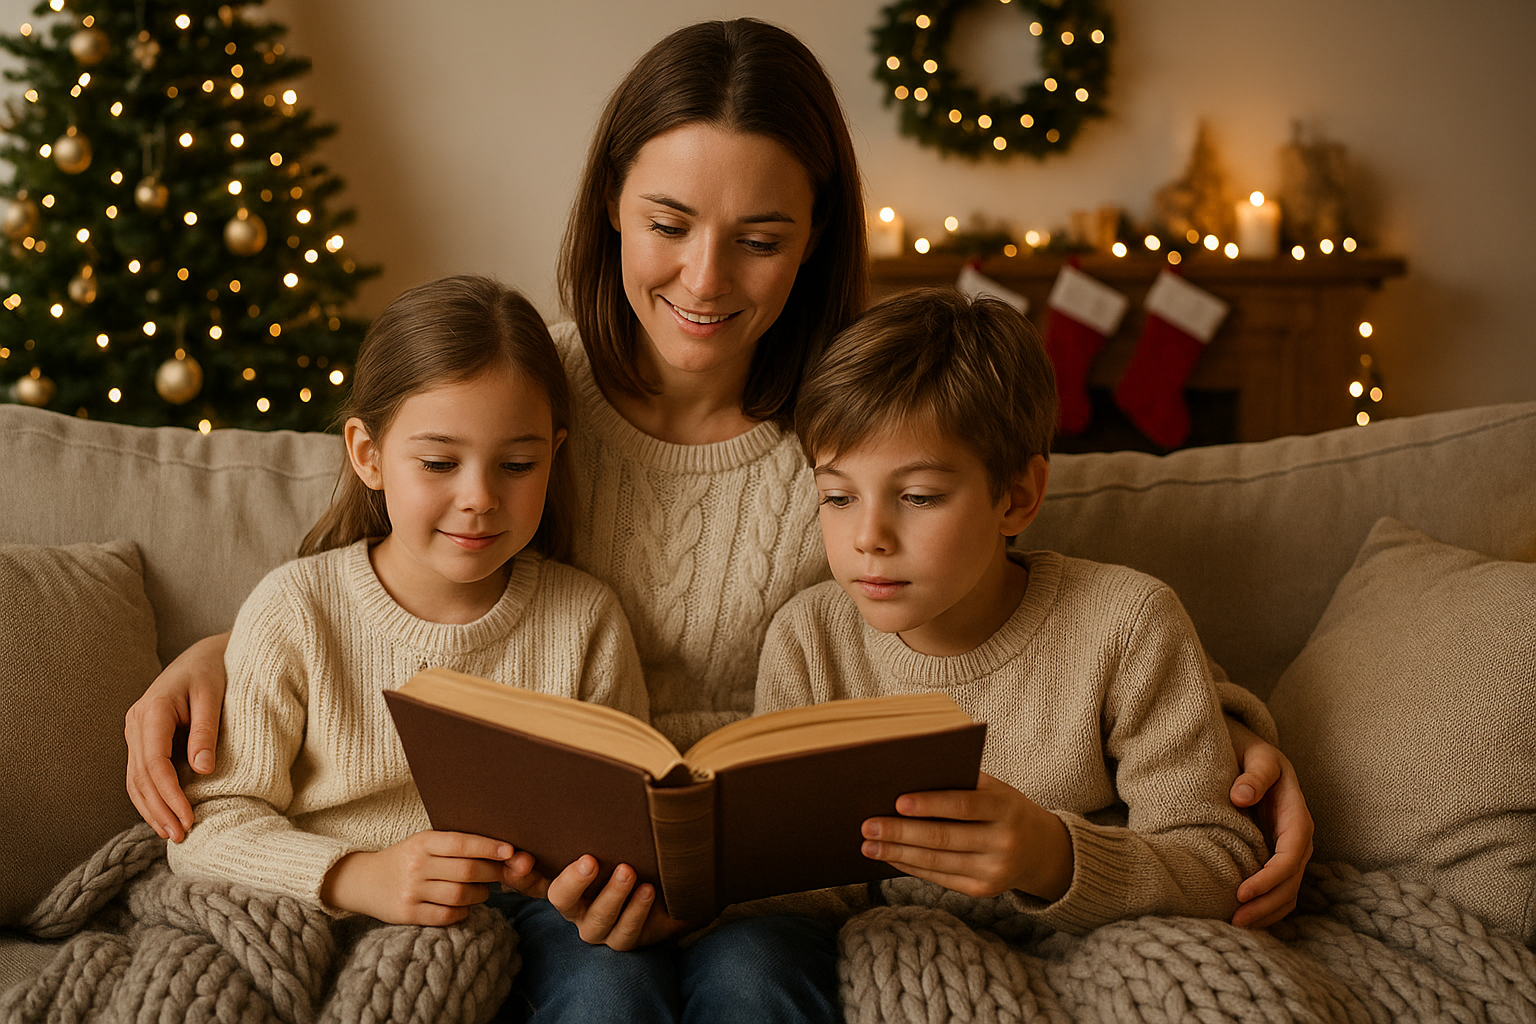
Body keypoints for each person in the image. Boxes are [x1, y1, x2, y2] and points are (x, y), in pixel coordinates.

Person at [123, 11, 1310, 1008]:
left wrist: (1235, 736)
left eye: (760, 239)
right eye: (668, 225)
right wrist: (219, 650)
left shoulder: (858, 428)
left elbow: (1020, 598)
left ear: (814, 243)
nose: (702, 280)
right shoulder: (532, 401)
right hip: (569, 867)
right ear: (610, 210)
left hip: (782, 880)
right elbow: (400, 580)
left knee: (751, 982)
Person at [756, 288, 1268, 930]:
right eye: (837, 497)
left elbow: (1222, 868)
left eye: (917, 497)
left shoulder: (1128, 625)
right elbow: (804, 890)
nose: (868, 536)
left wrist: (1052, 857)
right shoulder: (808, 643)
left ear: (1017, 497)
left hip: (1096, 950)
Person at [165, 275, 649, 924]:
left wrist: (572, 875)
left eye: (516, 466)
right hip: (329, 913)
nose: (479, 498)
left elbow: (621, 824)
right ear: (369, 455)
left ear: (553, 457)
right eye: (439, 463)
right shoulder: (296, 608)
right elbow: (207, 828)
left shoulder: (586, 620)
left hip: (532, 928)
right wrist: (358, 876)